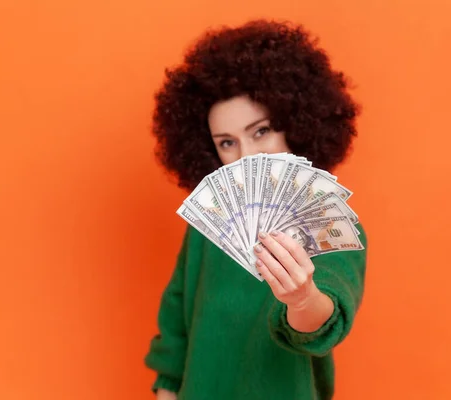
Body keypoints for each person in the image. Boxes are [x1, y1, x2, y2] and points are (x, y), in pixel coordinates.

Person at [144, 19, 368, 400]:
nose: (246, 155)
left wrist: (302, 299)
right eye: (226, 142)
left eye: (260, 131)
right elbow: (176, 325)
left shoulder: (330, 221)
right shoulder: (206, 228)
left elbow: (325, 322)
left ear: (296, 124)